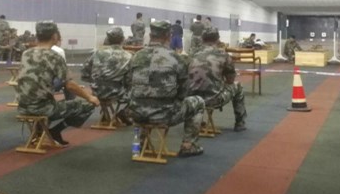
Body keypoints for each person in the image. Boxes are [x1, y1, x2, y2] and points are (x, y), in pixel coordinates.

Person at [127, 21, 205, 157]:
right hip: (165, 115)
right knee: (198, 102)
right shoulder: (176, 58)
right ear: (168, 36)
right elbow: (184, 91)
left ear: (150, 35)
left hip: (137, 114)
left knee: (144, 97)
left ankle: (142, 142)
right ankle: (188, 145)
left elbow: (128, 84)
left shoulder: (136, 56)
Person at [16, 21, 99, 145]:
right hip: (43, 108)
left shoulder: (26, 54)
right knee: (88, 105)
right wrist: (90, 97)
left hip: (22, 107)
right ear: (55, 36)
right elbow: (70, 85)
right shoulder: (55, 57)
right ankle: (55, 131)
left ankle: (39, 130)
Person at [187, 28, 247, 132]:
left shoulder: (192, 54)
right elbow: (230, 80)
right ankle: (240, 123)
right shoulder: (223, 55)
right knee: (238, 86)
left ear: (202, 39)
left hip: (192, 100)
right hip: (214, 99)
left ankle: (197, 121)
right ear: (218, 39)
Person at [81, 27, 132, 124]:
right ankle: (125, 112)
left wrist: (94, 82)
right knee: (139, 93)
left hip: (96, 91)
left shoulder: (97, 53)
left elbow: (85, 72)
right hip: (116, 92)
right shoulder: (128, 56)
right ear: (122, 39)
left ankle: (105, 113)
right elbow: (130, 79)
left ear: (107, 39)